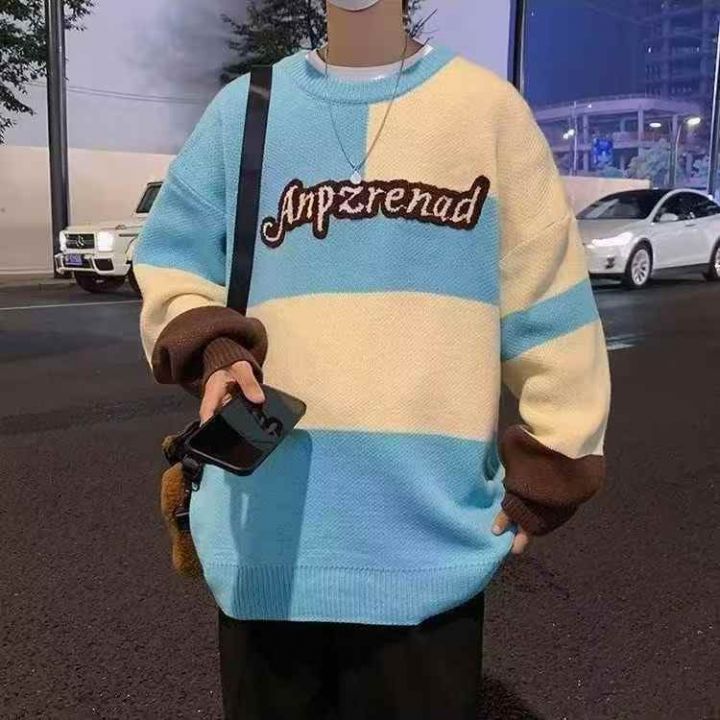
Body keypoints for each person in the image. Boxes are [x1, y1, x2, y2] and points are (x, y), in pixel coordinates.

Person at [133, 0, 612, 717]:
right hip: (265, 540)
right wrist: (214, 346)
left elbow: (551, 307)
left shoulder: (487, 114)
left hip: (429, 547)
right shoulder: (245, 112)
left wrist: (553, 470)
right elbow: (172, 261)